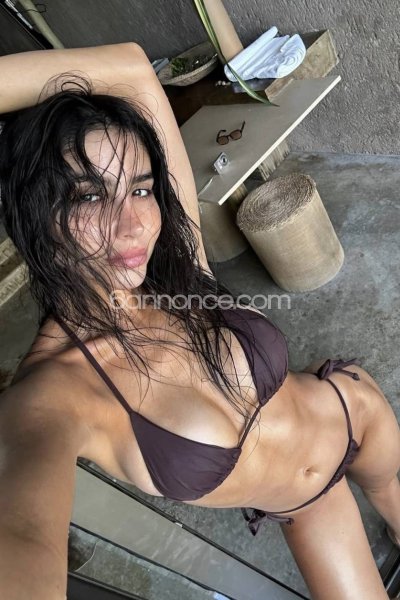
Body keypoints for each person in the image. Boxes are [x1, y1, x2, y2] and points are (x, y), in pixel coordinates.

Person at [0, 43, 399, 600]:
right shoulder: (53, 396)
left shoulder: (179, 269)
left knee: (393, 497)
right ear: (33, 212)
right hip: (308, 504)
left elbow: (132, 68)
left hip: (355, 408)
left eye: (141, 188)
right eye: (88, 196)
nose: (134, 225)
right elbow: (21, 535)